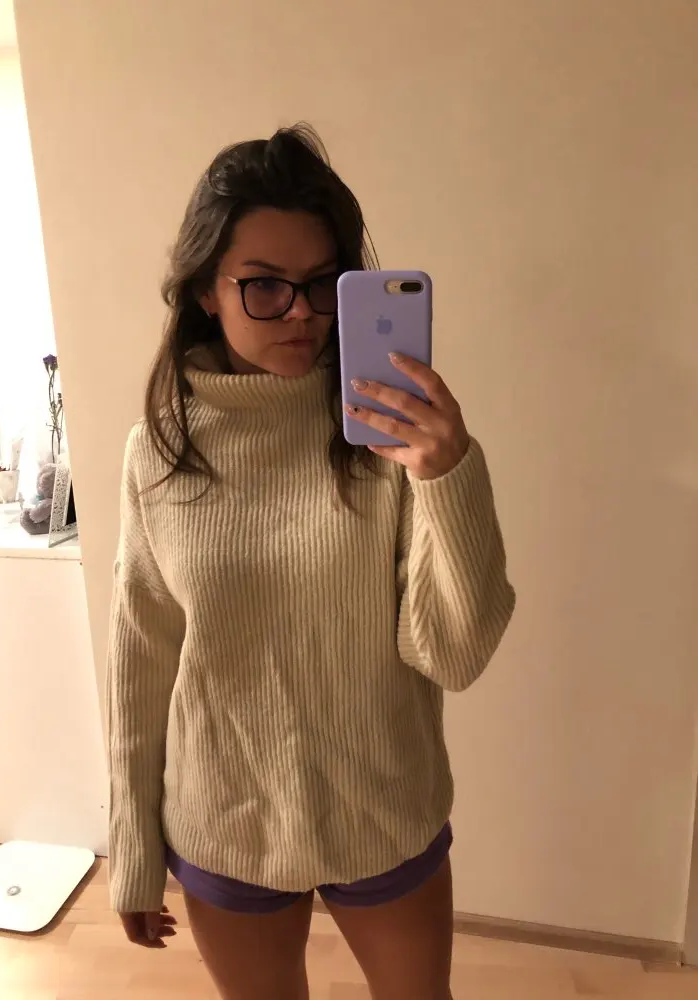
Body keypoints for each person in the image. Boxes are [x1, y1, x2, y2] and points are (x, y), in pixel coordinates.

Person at [106, 124, 515, 1000]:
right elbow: (141, 656)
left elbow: (455, 653)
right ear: (206, 291)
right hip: (227, 819)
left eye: (324, 283)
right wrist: (132, 846)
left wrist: (449, 476)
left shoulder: (391, 435)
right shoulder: (159, 450)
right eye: (264, 285)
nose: (302, 312)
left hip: (383, 808)